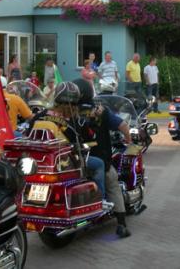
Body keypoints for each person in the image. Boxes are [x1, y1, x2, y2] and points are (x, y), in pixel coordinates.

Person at [28, 81, 107, 207]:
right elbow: (85, 139)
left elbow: (28, 133)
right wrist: (94, 120)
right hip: (65, 163)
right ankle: (101, 201)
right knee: (99, 164)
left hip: (37, 162)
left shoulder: (39, 116)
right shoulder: (74, 123)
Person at [73, 77, 133, 238]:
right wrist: (129, 139)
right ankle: (121, 225)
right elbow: (123, 125)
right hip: (99, 159)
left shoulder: (70, 111)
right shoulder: (101, 110)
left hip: (74, 160)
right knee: (113, 183)